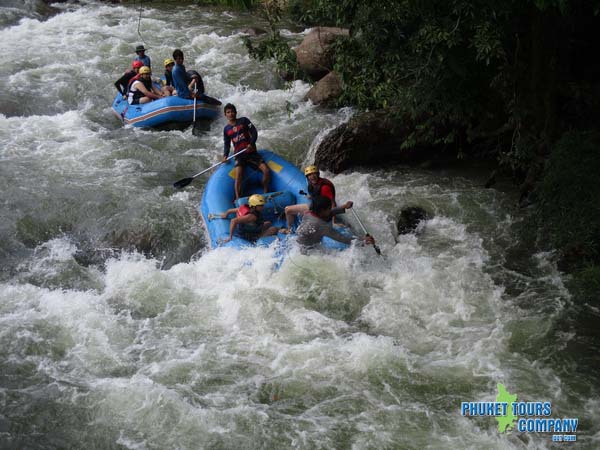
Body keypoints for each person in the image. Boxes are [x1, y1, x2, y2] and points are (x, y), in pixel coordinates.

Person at [222, 103, 270, 201]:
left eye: (232, 112)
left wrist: (251, 143)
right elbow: (227, 144)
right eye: (228, 112)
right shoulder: (226, 129)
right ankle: (238, 198)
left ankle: (265, 191)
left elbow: (254, 132)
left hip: (251, 152)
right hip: (239, 155)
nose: (230, 114)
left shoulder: (244, 120)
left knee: (266, 170)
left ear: (236, 113)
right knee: (238, 175)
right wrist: (225, 155)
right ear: (225, 115)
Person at [295, 195, 375, 251]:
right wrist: (363, 241)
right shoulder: (320, 225)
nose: (330, 209)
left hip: (301, 245)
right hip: (309, 252)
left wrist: (344, 207)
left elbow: (328, 213)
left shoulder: (309, 213)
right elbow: (342, 238)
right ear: (322, 210)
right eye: (329, 208)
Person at [282, 165, 338, 232]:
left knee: (287, 210)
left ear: (318, 174)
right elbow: (318, 195)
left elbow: (332, 203)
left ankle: (289, 230)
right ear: (307, 177)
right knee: (288, 210)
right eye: (310, 175)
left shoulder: (324, 187)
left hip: (320, 211)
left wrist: (334, 221)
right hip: (317, 207)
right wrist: (311, 197)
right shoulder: (312, 184)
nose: (312, 176)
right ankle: (290, 230)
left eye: (314, 174)